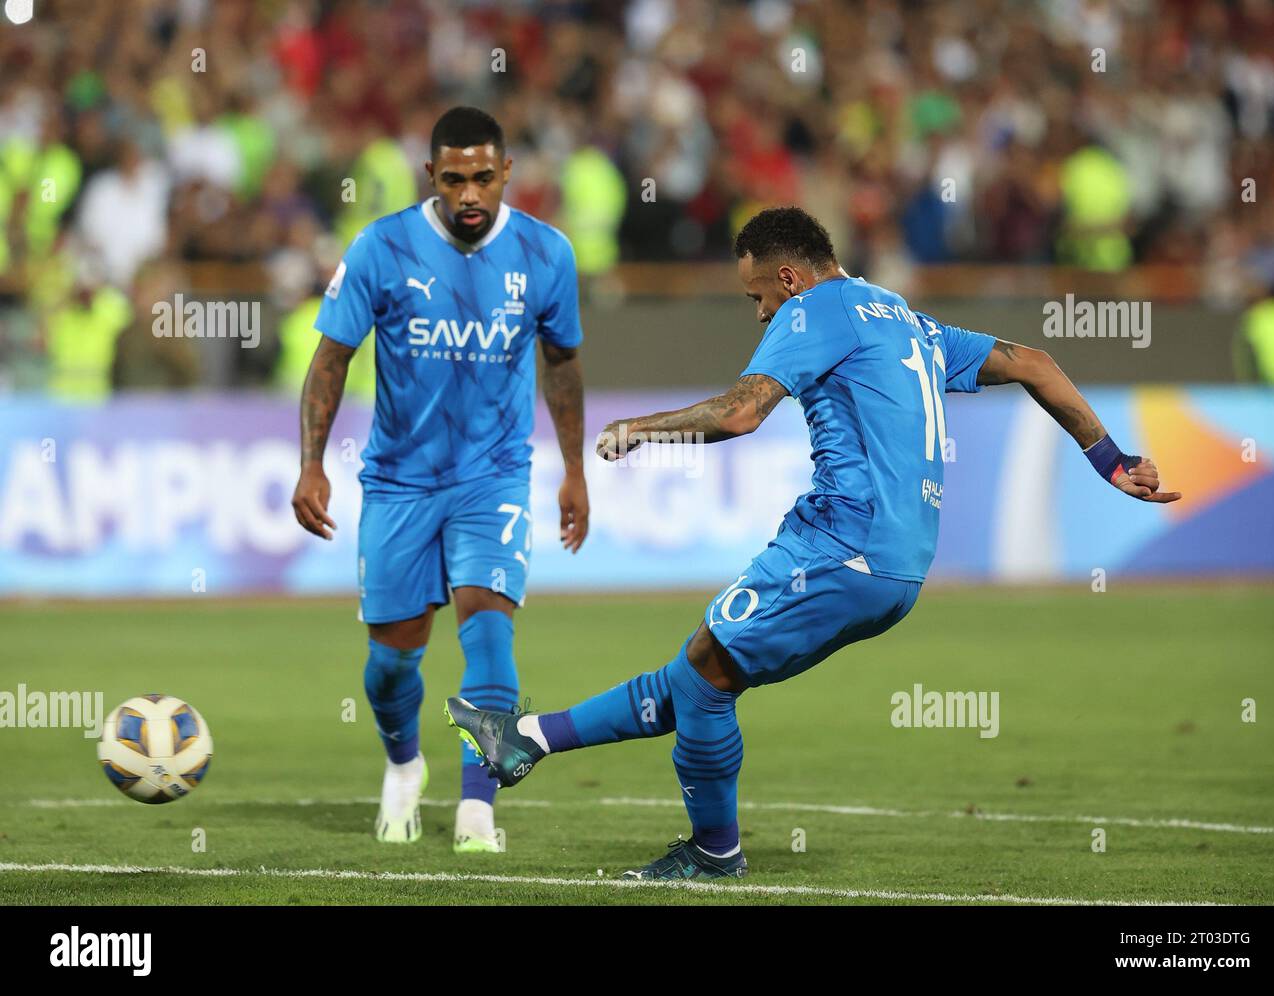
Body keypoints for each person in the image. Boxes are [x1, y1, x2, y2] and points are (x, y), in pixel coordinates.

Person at [447, 205, 1180, 879]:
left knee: (706, 671)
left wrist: (643, 429)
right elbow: (1033, 363)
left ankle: (713, 854)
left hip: (845, 541)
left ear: (790, 277)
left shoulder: (816, 307)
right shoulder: (903, 318)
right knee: (704, 671)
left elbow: (741, 414)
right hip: (897, 563)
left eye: (757, 295)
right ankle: (528, 741)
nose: (760, 311)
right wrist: (1109, 460)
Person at [292, 107, 589, 852]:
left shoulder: (546, 254)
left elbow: (563, 362)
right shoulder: (382, 248)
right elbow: (331, 359)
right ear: (432, 175)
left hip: (493, 476)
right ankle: (402, 764)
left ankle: (477, 809)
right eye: (454, 178)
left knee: (489, 631)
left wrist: (575, 469)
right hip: (398, 482)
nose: (469, 194)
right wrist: (311, 464)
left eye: (483, 177)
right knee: (391, 663)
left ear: (507, 173)